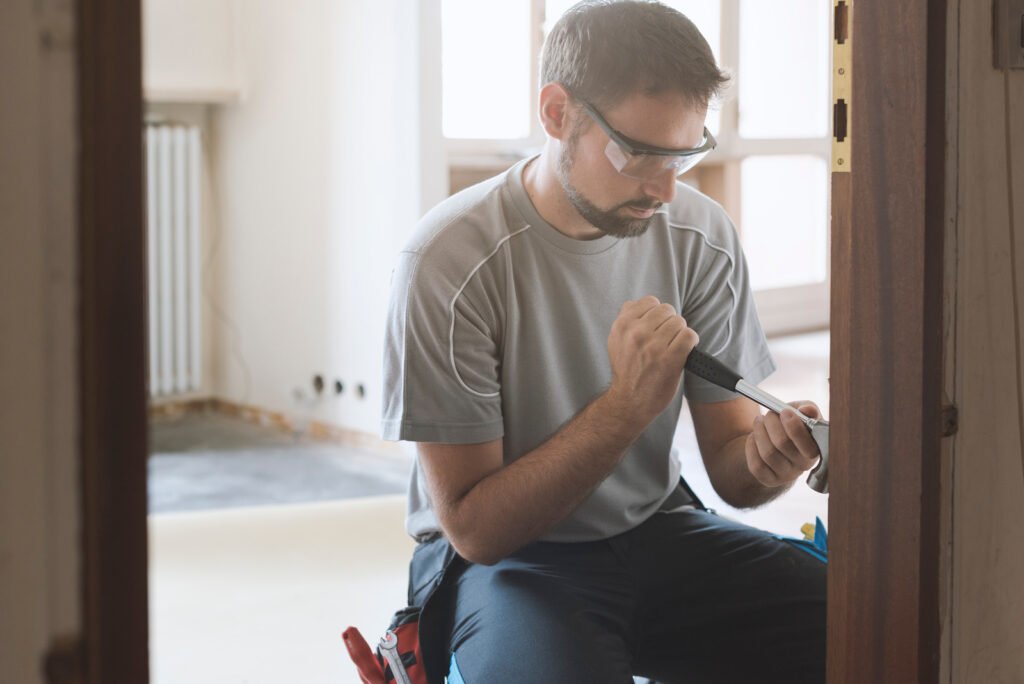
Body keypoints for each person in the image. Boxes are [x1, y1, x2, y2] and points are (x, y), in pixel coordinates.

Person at [381, 1, 826, 681]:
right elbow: (474, 528)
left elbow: (733, 475)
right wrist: (625, 407)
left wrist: (769, 461)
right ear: (557, 114)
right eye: (640, 154)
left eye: (685, 153)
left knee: (868, 620)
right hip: (506, 564)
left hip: (657, 529)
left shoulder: (700, 237)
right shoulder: (450, 260)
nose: (665, 188)